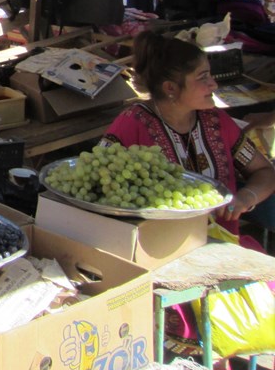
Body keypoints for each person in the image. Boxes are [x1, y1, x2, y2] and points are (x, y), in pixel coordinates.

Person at [102, 31, 275, 238]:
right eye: (203, 77)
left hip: (222, 243)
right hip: (157, 248)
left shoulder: (216, 120)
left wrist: (247, 197)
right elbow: (98, 184)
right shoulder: (132, 123)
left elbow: (265, 171)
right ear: (171, 88)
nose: (214, 84)